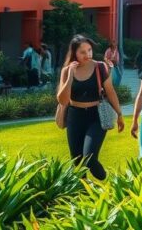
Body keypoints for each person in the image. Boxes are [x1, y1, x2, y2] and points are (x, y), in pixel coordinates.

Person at [56, 35, 124, 180]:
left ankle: (106, 180)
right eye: (83, 52)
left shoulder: (100, 67)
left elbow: (110, 92)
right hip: (75, 116)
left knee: (90, 158)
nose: (88, 54)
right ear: (74, 53)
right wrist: (70, 77)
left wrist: (119, 114)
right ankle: (84, 194)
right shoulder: (67, 70)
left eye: (89, 50)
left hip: (96, 116)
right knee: (77, 162)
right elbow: (62, 100)